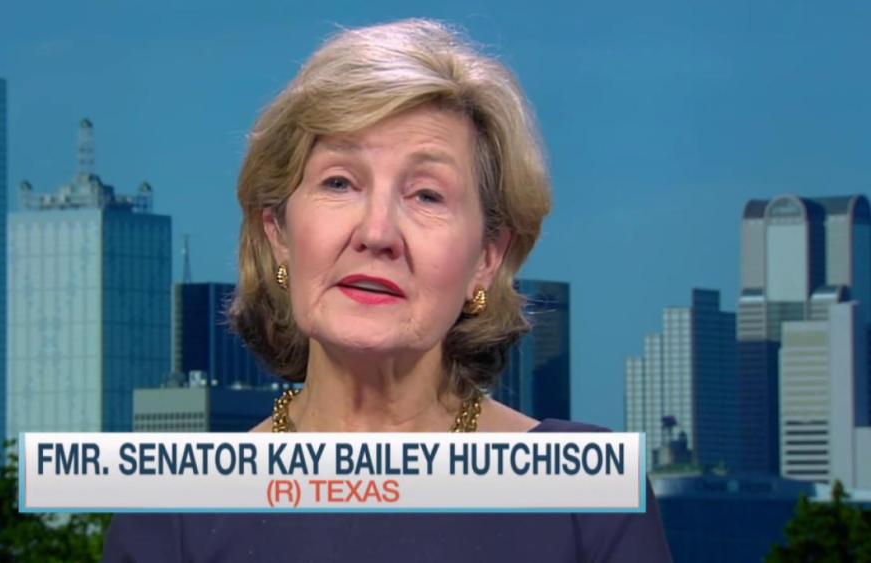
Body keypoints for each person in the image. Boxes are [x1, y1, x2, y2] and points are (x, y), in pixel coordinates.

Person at [104, 18, 672, 562]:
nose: (377, 233)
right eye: (339, 183)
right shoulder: (172, 517)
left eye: (427, 195)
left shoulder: (588, 500)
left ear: (487, 258)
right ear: (277, 232)